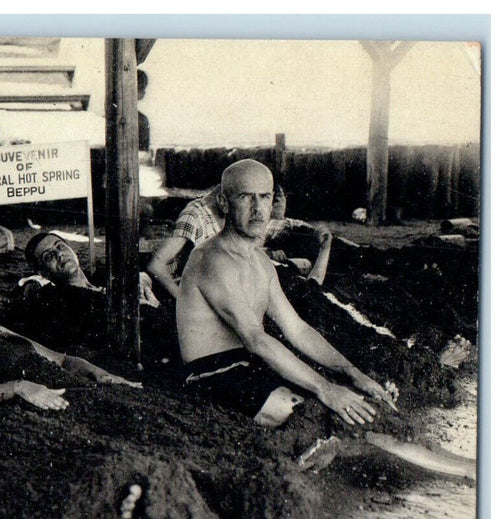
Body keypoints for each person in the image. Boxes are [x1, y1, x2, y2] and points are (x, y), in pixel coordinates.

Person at [176, 159, 474, 478]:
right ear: (223, 201)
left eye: (264, 197)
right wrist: (324, 387)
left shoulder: (261, 263)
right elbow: (255, 337)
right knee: (315, 412)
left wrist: (353, 373)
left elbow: (298, 330)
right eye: (245, 197)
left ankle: (467, 468)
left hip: (249, 366)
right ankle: (458, 473)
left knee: (362, 408)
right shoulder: (212, 259)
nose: (258, 208)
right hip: (211, 374)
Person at [0, 265, 139, 410]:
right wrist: (18, 388)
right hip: (36, 405)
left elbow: (63, 360)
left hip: (74, 389)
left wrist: (103, 375)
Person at [147, 182, 334, 299]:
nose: (254, 207)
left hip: (231, 282)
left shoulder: (236, 214)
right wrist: (183, 300)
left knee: (301, 273)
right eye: (246, 198)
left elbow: (275, 227)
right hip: (198, 288)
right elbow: (156, 264)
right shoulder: (197, 213)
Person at [23, 231, 160, 307]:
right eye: (48, 256)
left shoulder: (97, 276)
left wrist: (141, 280)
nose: (59, 254)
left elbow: (141, 272)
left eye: (60, 246)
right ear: (42, 272)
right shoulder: (66, 300)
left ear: (72, 249)